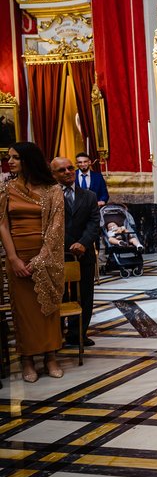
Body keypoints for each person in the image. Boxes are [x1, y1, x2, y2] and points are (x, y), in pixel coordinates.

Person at [0, 142, 65, 382]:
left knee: (47, 308)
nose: (11, 161)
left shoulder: (52, 190)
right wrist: (14, 258)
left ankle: (51, 357)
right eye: (10, 157)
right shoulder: (6, 189)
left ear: (29, 160)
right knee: (24, 312)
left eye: (16, 157)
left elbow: (56, 228)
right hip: (17, 256)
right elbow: (2, 224)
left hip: (46, 257)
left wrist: (41, 258)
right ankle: (27, 360)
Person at [52, 158, 99, 347]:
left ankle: (78, 333)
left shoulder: (89, 196)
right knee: (59, 295)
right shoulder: (49, 197)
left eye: (70, 168)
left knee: (84, 295)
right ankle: (56, 335)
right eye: (61, 170)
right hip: (58, 253)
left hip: (83, 253)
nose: (68, 172)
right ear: (53, 175)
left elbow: (94, 223)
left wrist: (83, 243)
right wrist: (65, 244)